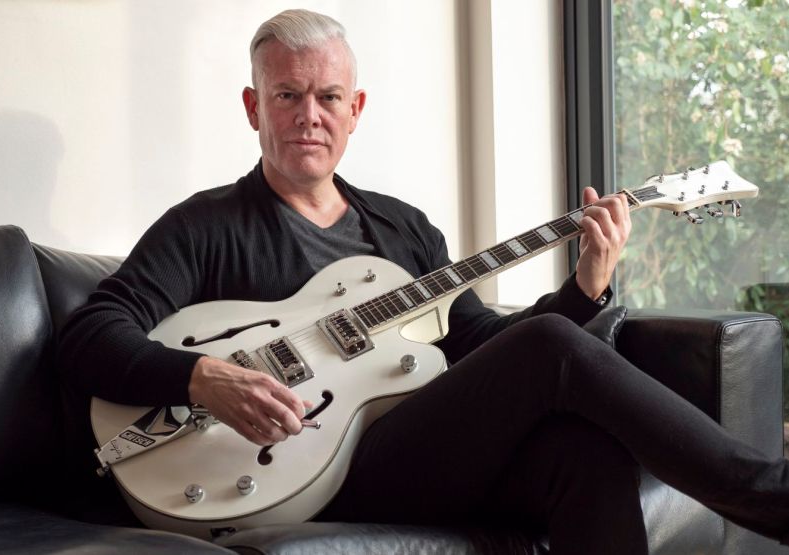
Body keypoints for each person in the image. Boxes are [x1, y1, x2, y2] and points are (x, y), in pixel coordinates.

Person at [58, 9, 789, 554]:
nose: (308, 116)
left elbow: (483, 349)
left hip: (413, 450)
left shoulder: (402, 230)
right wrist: (205, 378)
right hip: (309, 468)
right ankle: (766, 495)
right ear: (254, 108)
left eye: (327, 97)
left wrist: (586, 285)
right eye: (286, 96)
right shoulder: (203, 226)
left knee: (584, 457)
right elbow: (90, 336)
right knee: (547, 348)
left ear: (356, 110)